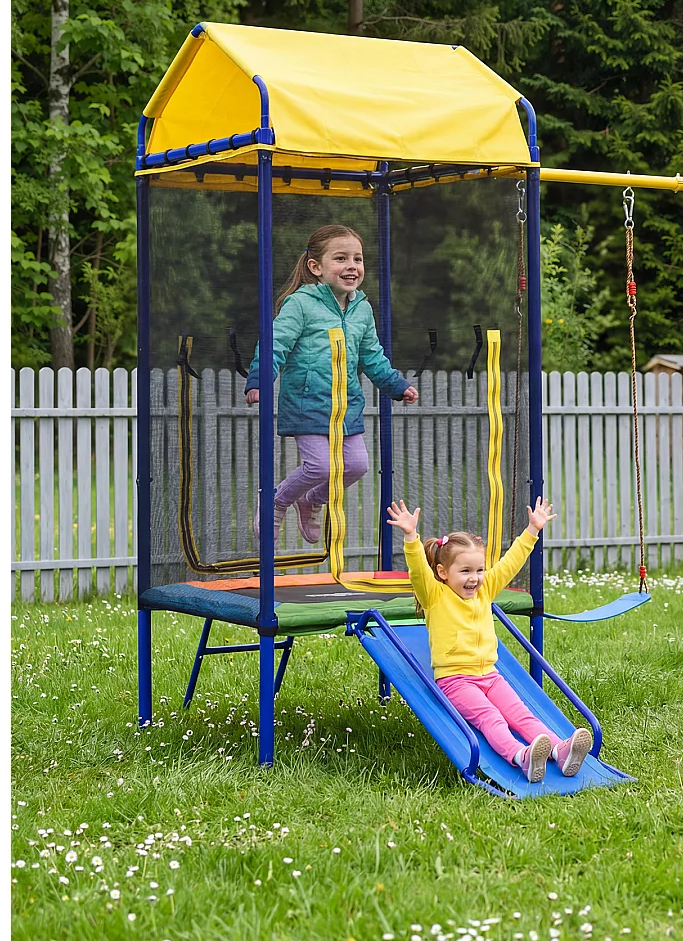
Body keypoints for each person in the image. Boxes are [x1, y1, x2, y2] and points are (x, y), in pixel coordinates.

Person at [385, 497, 594, 782]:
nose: (474, 578)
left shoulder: (485, 591)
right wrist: (411, 536)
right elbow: (419, 570)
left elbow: (510, 563)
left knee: (521, 715)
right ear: (443, 572)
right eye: (465, 571)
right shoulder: (435, 596)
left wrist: (532, 530)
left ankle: (560, 750)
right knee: (491, 718)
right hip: (456, 680)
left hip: (490, 676)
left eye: (479, 570)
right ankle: (521, 757)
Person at [245, 224, 418, 546]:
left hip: (345, 404)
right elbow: (274, 344)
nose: (352, 266)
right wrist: (260, 378)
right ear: (316, 267)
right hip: (307, 402)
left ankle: (311, 499)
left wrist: (395, 384)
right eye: (341, 258)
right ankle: (277, 500)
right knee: (321, 467)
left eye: (357, 259)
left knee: (357, 466)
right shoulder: (301, 303)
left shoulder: (362, 309)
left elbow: (371, 356)